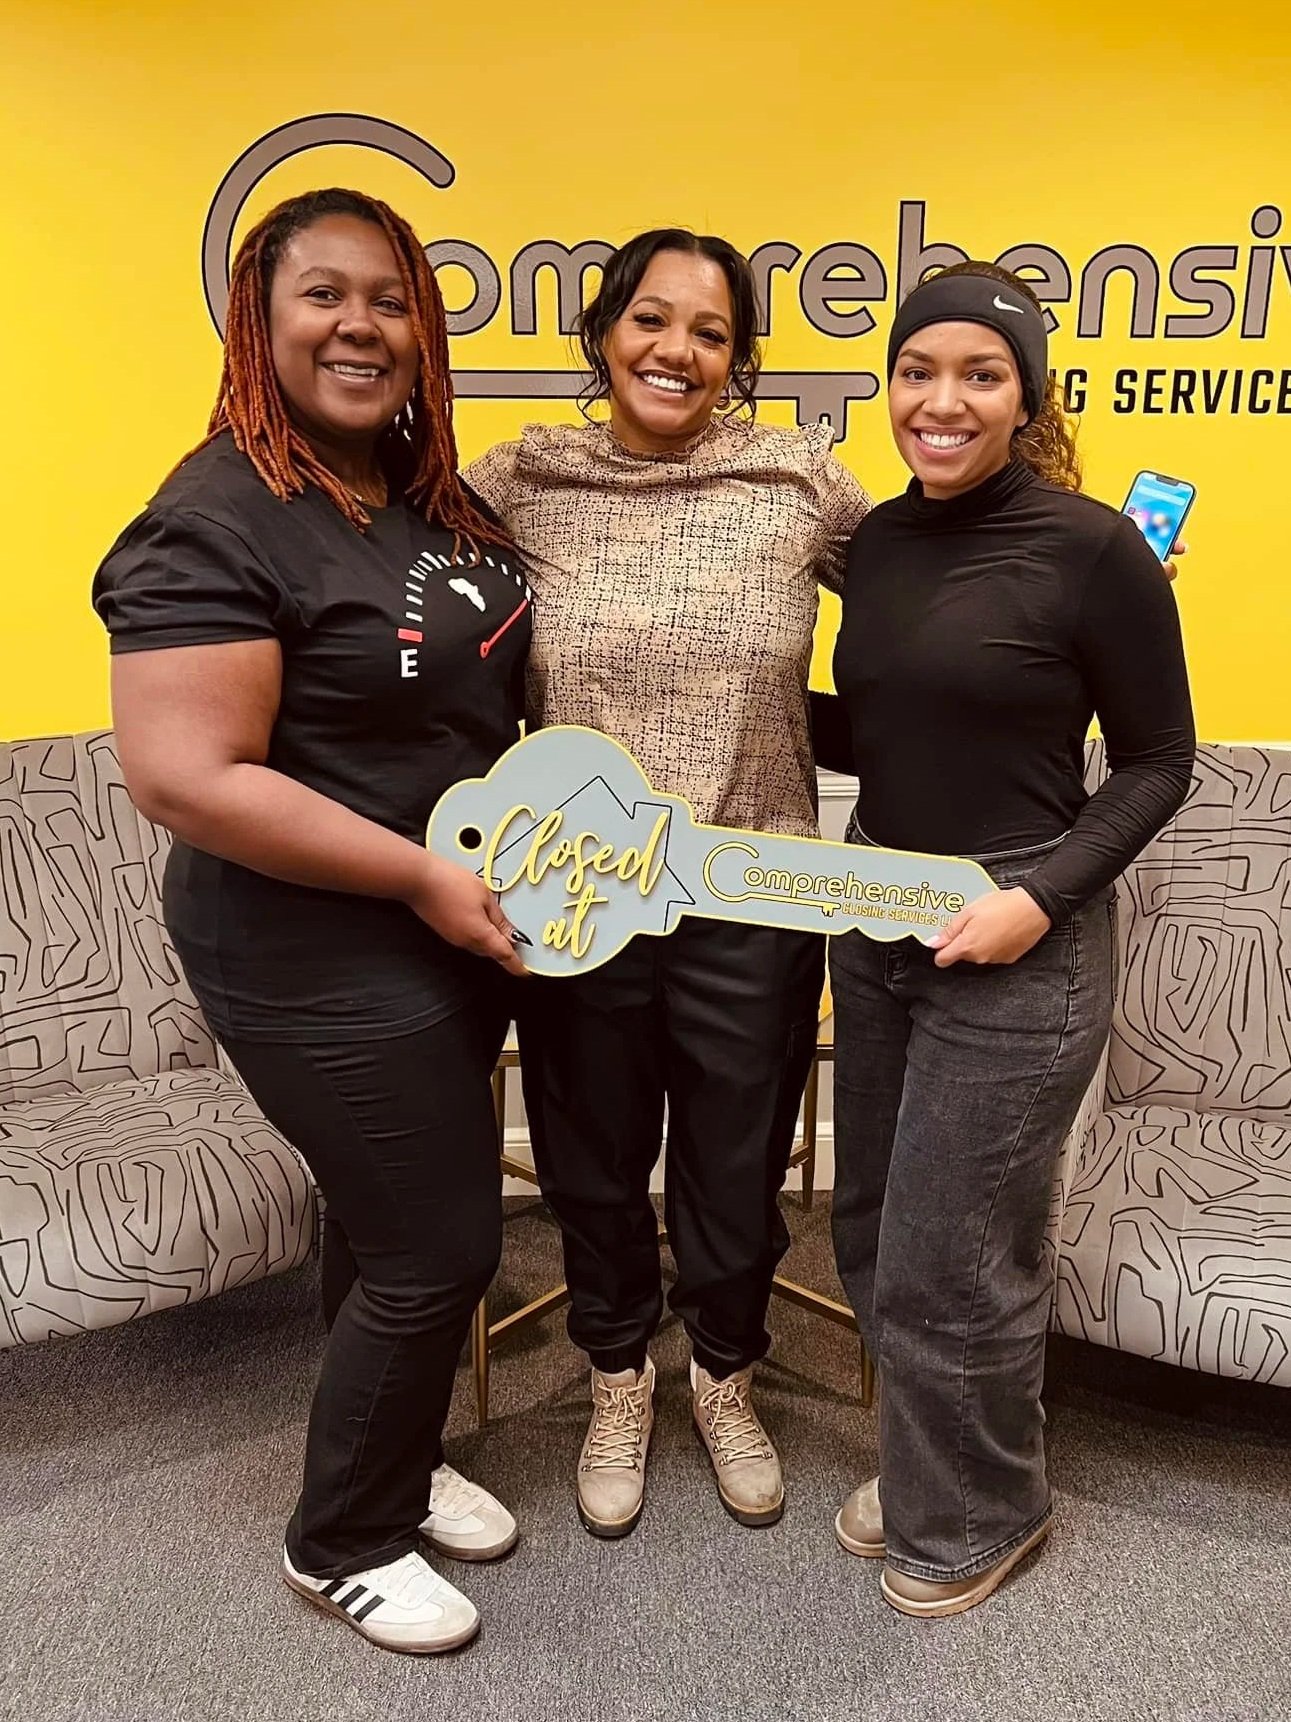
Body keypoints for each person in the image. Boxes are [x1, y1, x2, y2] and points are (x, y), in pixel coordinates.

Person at [92, 188, 532, 1655]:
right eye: (323, 296)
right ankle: (338, 1536)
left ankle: (392, 1465)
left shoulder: (414, 494)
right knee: (439, 1246)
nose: (362, 325)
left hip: (443, 924)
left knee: (382, 1212)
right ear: (256, 322)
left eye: (392, 300)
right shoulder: (217, 510)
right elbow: (187, 775)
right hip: (309, 944)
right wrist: (417, 875)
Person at [466, 229, 873, 1537]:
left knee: (735, 1158)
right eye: (651, 319)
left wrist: (1090, 582)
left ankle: (728, 1374)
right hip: (578, 887)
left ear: (740, 361)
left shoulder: (796, 477)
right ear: (601, 335)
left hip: (751, 882)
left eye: (709, 331)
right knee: (589, 1155)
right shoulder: (523, 476)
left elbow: (939, 591)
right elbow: (388, 582)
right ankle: (617, 1376)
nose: (676, 350)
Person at [825, 262, 1195, 1616]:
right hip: (876, 911)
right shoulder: (874, 541)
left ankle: (988, 1508)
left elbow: (1161, 761)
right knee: (867, 1226)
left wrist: (1038, 900)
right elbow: (885, 723)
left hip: (1021, 925)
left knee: (955, 1249)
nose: (942, 400)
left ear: (1024, 395)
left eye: (980, 374)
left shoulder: (1095, 548)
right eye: (919, 371)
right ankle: (941, 1463)